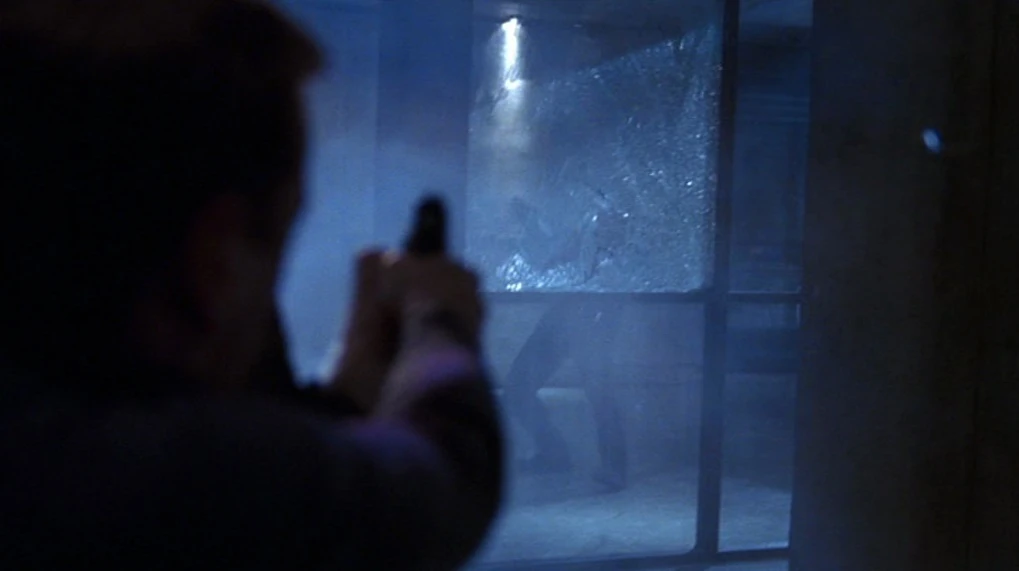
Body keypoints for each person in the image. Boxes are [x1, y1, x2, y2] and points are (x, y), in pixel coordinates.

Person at [0, 1, 503, 570]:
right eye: (276, 238)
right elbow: (438, 485)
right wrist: (438, 321)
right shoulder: (140, 476)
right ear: (214, 258)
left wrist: (352, 387)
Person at [502, 195, 629, 491]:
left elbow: (613, 284)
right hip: (562, 319)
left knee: (600, 394)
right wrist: (532, 226)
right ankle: (554, 454)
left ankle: (614, 467)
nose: (600, 229)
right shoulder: (582, 234)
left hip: (593, 321)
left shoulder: (616, 256)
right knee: (517, 388)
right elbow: (552, 262)